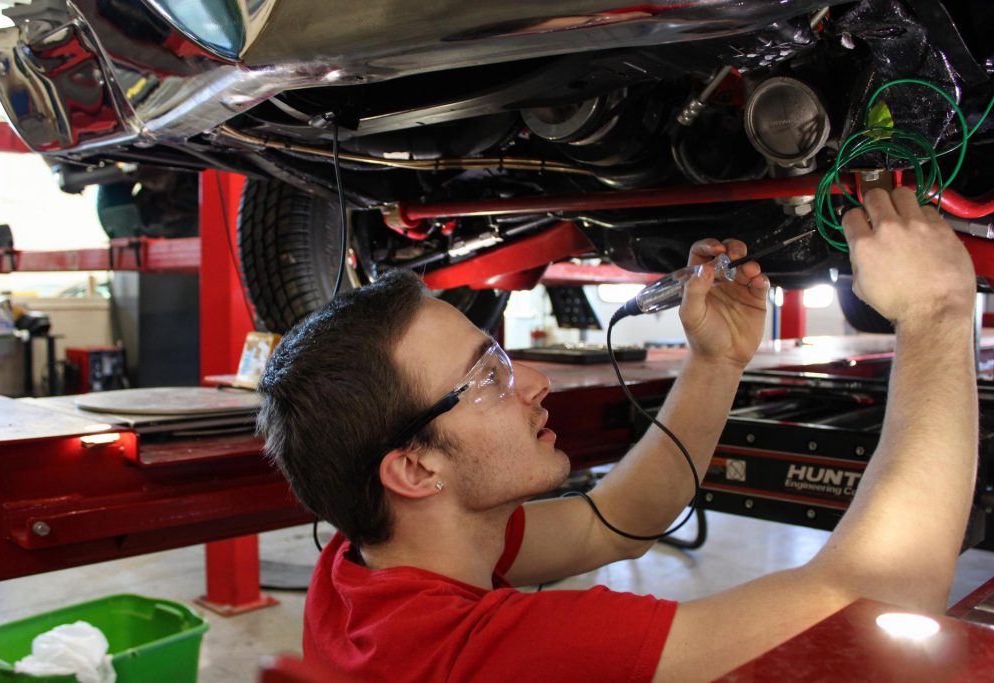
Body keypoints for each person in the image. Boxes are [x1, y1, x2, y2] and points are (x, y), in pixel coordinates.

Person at [257, 187, 978, 681]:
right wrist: (938, 311)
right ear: (414, 471)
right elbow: (880, 592)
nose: (534, 382)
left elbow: (621, 520)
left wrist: (717, 361)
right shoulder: (494, 655)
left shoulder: (364, 571)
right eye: (488, 379)